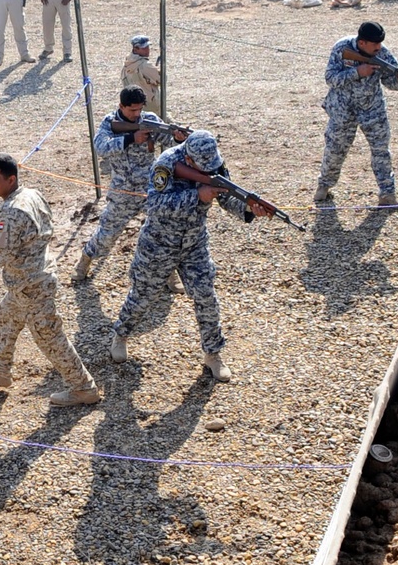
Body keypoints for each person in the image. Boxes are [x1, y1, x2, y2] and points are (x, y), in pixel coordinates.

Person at [110, 130, 272, 380]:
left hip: (193, 243)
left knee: (206, 295)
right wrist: (196, 195)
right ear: (188, 157)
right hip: (159, 243)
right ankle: (120, 334)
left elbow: (226, 198)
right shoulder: (165, 164)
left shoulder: (213, 163)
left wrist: (250, 209)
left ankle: (213, 354)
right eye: (202, 167)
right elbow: (154, 206)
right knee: (143, 295)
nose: (209, 170)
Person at [0, 154, 101, 407]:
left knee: (49, 338)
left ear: (11, 179)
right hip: (29, 279)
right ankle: (0, 369)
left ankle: (84, 388)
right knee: (6, 318)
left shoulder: (11, 211)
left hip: (31, 285)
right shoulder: (32, 194)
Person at [74, 88, 187, 280]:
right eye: (132, 111)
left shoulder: (149, 119)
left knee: (164, 230)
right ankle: (85, 259)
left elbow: (167, 141)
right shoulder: (110, 123)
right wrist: (130, 138)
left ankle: (170, 274)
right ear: (121, 106)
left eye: (139, 110)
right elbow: (101, 147)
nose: (136, 115)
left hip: (151, 187)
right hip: (122, 190)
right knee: (108, 232)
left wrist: (177, 138)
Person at [314, 21, 398, 210]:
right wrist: (357, 72)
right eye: (375, 44)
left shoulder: (382, 54)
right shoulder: (342, 48)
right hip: (343, 110)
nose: (379, 47)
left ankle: (387, 194)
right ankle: (324, 185)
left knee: (381, 151)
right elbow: (331, 78)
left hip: (372, 109)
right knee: (335, 149)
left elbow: (390, 82)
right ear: (362, 43)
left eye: (380, 43)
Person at [121, 36, 162, 114]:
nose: (147, 50)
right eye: (144, 48)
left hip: (132, 106)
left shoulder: (126, 64)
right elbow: (161, 80)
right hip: (149, 106)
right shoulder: (145, 65)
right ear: (135, 49)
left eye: (147, 47)